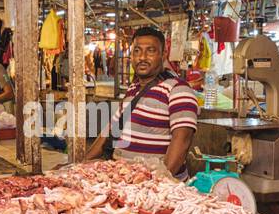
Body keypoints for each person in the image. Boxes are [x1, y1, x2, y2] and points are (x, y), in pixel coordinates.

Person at [84, 26, 199, 178]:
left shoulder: (178, 90)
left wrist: (156, 186)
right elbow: (110, 131)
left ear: (163, 55)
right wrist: (82, 164)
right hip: (123, 179)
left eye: (150, 51)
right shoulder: (133, 90)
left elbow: (182, 141)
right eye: (137, 51)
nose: (142, 57)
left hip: (154, 187)